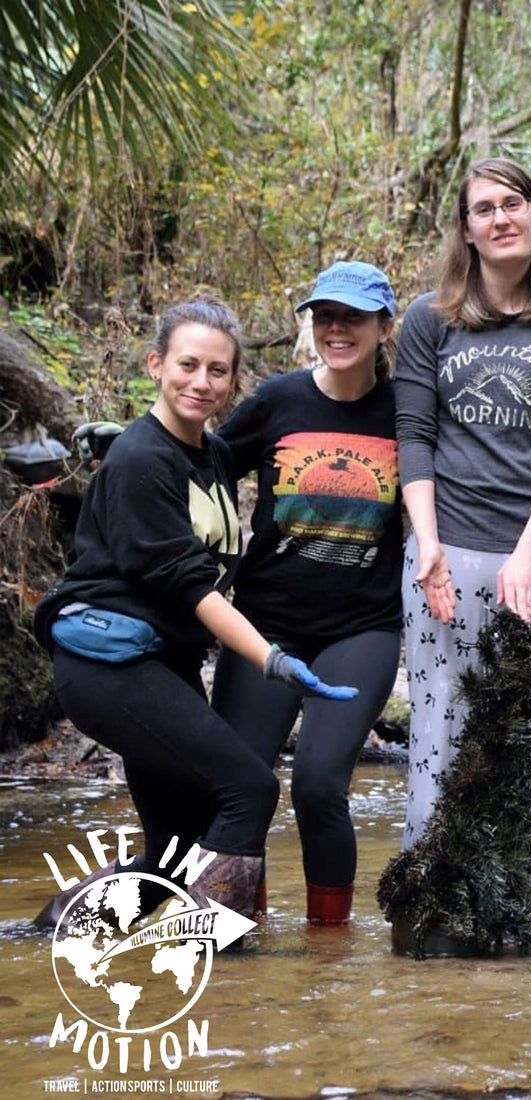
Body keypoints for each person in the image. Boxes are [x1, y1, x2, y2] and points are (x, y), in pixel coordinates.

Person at [32, 297, 356, 928]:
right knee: (250, 790)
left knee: (175, 854)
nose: (200, 382)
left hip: (162, 663)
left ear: (234, 381)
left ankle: (44, 935)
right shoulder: (140, 458)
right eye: (187, 365)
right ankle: (215, 965)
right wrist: (274, 659)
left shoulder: (208, 452)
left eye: (217, 371)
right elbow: (194, 589)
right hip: (110, 666)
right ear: (156, 365)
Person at [394, 156, 531, 848]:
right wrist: (427, 543)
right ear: (467, 230)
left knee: (521, 730)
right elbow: (415, 437)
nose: (500, 218)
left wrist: (528, 552)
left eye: (512, 203)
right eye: (483, 209)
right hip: (443, 554)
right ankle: (429, 906)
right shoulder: (430, 321)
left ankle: (509, 910)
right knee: (439, 728)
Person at [210, 261, 403, 926]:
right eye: (325, 316)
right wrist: (125, 451)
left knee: (319, 785)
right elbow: (193, 461)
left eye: (352, 317)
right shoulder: (278, 401)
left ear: (385, 326)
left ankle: (327, 953)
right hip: (265, 624)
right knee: (240, 783)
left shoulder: (408, 412)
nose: (337, 329)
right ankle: (236, 926)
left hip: (363, 629)